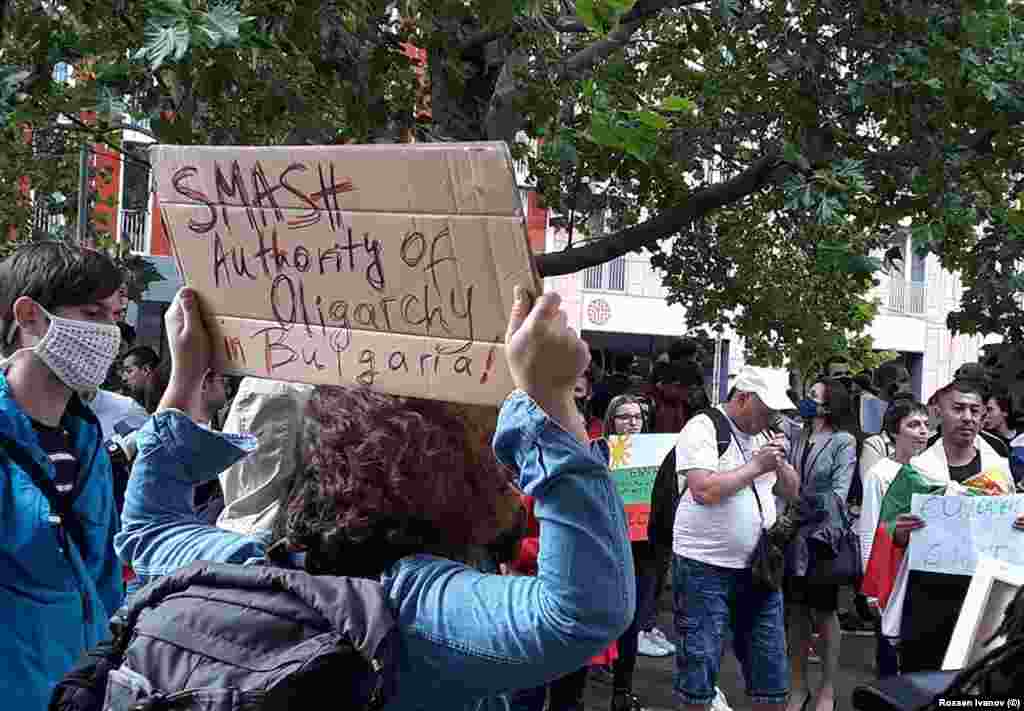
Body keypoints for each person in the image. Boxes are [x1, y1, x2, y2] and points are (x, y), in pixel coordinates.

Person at [116, 286, 635, 711]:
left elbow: (146, 529)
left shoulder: (235, 563)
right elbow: (581, 613)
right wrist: (551, 400)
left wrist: (185, 376)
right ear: (458, 483)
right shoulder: (416, 614)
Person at [0, 242, 125, 711]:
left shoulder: (88, 440)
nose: (110, 333)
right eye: (93, 313)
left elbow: (104, 580)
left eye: (115, 316)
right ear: (29, 316)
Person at [673, 366, 800, 711]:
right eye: (766, 409)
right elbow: (703, 490)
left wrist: (781, 463)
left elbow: (791, 491)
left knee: (772, 677)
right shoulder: (702, 427)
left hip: (759, 567)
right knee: (699, 670)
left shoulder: (763, 436)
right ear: (743, 398)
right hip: (704, 567)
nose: (772, 417)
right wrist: (757, 466)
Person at [894, 379, 1012, 673]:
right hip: (927, 598)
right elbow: (889, 531)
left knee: (978, 684)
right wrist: (901, 531)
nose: (968, 417)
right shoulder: (917, 471)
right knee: (923, 681)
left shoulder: (1000, 471)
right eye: (958, 408)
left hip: (985, 596)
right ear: (938, 412)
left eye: (975, 410)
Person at [783, 379, 857, 711]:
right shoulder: (798, 434)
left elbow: (840, 492)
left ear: (829, 405)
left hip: (823, 538)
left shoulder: (843, 441)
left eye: (813, 397)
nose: (806, 401)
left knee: (825, 615)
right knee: (796, 615)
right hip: (793, 535)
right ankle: (798, 687)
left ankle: (827, 689)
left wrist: (806, 506)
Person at [857, 399, 930, 678]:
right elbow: (870, 528)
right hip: (889, 572)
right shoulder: (880, 474)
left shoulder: (931, 472)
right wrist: (872, 587)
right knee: (888, 649)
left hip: (923, 570)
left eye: (925, 424)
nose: (922, 431)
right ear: (893, 433)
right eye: (913, 425)